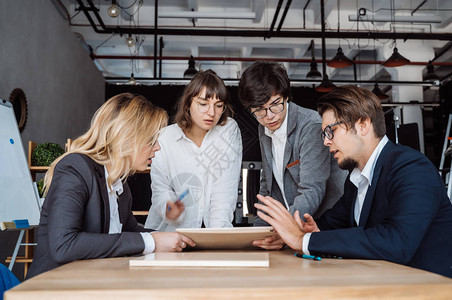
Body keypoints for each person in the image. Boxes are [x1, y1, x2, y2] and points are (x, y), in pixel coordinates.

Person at [255, 85, 452, 278]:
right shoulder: (355, 180)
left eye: (330, 131)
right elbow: (329, 225)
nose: (325, 141)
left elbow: (397, 242)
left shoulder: (411, 168)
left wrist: (304, 240)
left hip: (428, 289)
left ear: (363, 125)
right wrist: (307, 230)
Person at [27, 93, 195, 279]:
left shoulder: (119, 186)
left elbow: (131, 231)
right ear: (128, 137)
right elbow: (64, 245)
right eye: (151, 140)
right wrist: (152, 241)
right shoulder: (74, 168)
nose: (157, 148)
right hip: (50, 290)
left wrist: (179, 239)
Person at [238, 61, 347, 249]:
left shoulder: (310, 126)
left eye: (275, 105)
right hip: (293, 227)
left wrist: (282, 230)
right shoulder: (263, 128)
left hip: (324, 226)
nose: (269, 116)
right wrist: (256, 236)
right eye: (259, 110)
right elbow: (268, 188)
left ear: (286, 97)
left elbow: (312, 189)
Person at [145, 70, 242, 231]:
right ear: (188, 103)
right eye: (203, 104)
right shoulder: (165, 137)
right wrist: (169, 209)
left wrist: (219, 240)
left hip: (210, 234)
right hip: (167, 234)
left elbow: (224, 191)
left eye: (218, 106)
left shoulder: (228, 130)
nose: (211, 113)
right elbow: (160, 188)